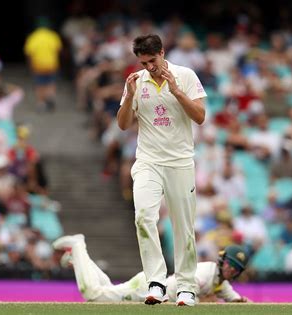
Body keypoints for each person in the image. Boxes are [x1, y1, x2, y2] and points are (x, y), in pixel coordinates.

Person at [116, 34, 207, 306]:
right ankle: (156, 281)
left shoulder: (185, 75)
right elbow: (123, 125)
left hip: (180, 162)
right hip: (148, 161)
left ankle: (186, 287)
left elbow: (200, 117)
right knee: (143, 216)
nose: (149, 67)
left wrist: (176, 90)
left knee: (183, 227)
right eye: (143, 62)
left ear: (162, 53)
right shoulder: (136, 81)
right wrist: (130, 95)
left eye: (152, 61)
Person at [53, 234, 251, 304]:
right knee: (93, 295)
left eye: (236, 268)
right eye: (230, 264)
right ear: (222, 260)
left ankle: (78, 258)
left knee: (106, 290)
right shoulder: (205, 273)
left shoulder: (219, 281)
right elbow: (193, 300)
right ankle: (78, 246)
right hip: (147, 290)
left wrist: (239, 301)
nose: (232, 270)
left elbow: (233, 298)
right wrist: (214, 302)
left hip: (150, 288)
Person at [24, 17, 62, 112]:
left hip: (38, 65)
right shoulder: (53, 36)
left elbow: (29, 53)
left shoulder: (33, 37)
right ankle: (50, 97)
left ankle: (41, 104)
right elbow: (58, 50)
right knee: (50, 83)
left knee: (39, 85)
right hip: (51, 65)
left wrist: (30, 66)